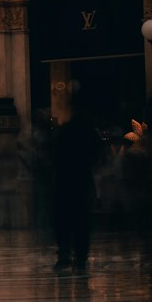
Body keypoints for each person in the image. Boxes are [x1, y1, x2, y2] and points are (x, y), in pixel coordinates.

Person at [51, 104, 101, 273]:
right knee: (82, 223)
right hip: (82, 183)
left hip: (64, 183)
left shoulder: (63, 132)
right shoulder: (90, 134)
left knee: (64, 221)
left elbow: (54, 156)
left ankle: (64, 254)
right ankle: (81, 256)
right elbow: (97, 157)